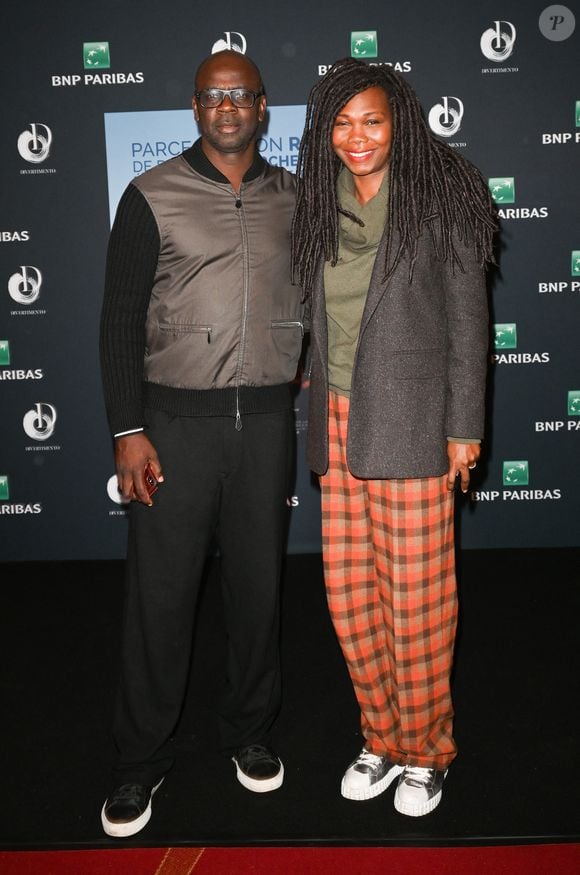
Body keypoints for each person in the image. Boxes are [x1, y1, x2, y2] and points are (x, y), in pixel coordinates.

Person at [99, 49, 304, 837]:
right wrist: (128, 430)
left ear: (263, 109)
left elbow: (323, 294)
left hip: (264, 429)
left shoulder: (296, 195)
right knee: (160, 602)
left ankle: (249, 732)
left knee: (257, 594)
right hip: (173, 428)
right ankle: (137, 762)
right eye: (212, 96)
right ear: (193, 109)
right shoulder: (151, 195)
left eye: (241, 95)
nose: (227, 107)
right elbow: (118, 321)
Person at [291, 58, 497, 817]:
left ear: (399, 119)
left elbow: (470, 322)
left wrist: (464, 428)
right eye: (342, 124)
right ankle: (380, 735)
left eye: (371, 120)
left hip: (414, 422)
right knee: (351, 596)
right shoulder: (318, 198)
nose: (357, 137)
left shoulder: (442, 193)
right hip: (340, 421)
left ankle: (426, 748)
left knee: (417, 599)